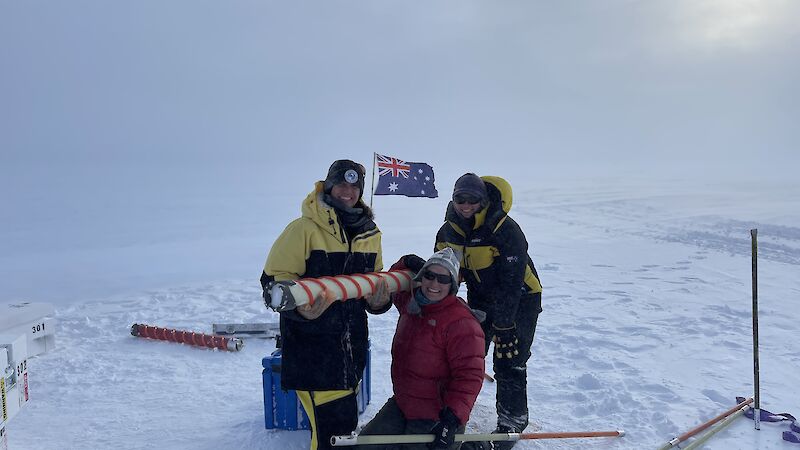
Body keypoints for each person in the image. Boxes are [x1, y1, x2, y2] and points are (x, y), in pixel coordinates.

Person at [260, 159, 388, 450]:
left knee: (340, 430)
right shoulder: (303, 229)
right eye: (341, 184)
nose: (348, 191)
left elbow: (374, 287)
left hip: (352, 351)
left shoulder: (370, 234)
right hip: (313, 352)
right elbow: (272, 286)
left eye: (355, 186)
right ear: (328, 186)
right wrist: (300, 310)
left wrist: (380, 303)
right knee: (334, 434)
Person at [434, 173, 543, 450]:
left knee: (509, 359)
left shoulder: (504, 229)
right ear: (453, 199)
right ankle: (447, 412)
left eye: (473, 200)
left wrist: (505, 325)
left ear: (483, 201)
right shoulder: (448, 232)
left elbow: (512, 280)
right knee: (466, 355)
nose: (466, 205)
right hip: (481, 299)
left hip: (521, 299)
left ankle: (511, 422)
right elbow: (443, 273)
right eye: (461, 199)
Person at [356, 248, 486, 450]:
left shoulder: (461, 323)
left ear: (452, 284)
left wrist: (451, 420)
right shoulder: (412, 304)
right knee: (365, 446)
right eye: (429, 275)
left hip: (436, 416)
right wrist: (407, 260)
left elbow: (470, 377)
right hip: (404, 404)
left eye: (443, 279)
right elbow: (394, 281)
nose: (434, 284)